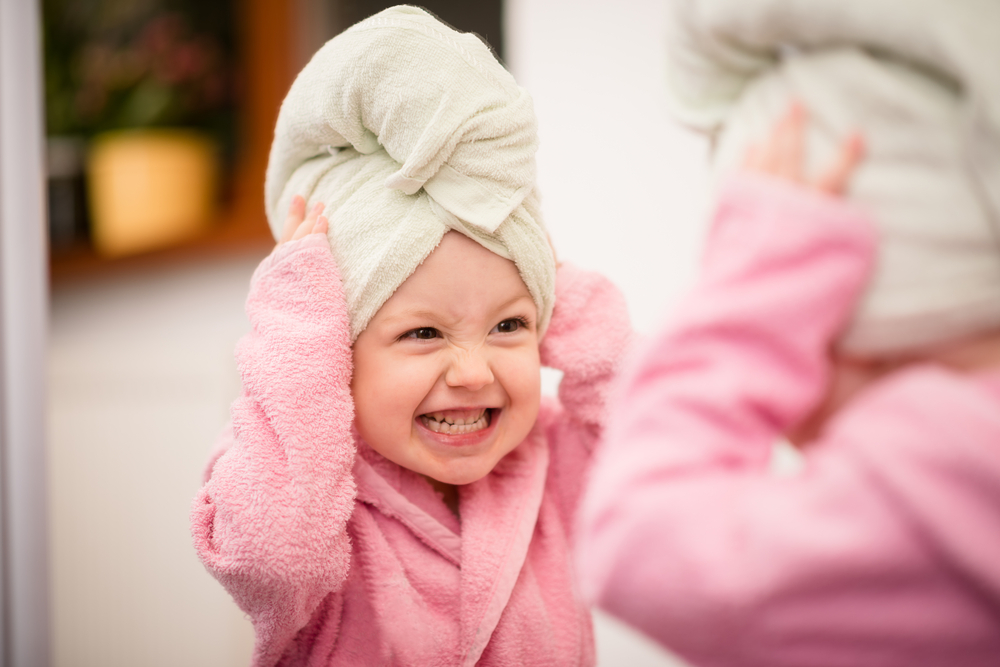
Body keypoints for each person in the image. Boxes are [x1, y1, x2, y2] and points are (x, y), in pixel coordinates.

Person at [190, 6, 630, 666]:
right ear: (331, 349)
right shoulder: (314, 500)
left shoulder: (553, 464)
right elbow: (271, 557)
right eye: (424, 332)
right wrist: (296, 329)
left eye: (509, 324)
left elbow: (659, 462)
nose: (475, 372)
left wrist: (562, 290)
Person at [576, 0, 1000, 662]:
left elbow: (635, 540)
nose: (784, 425)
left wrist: (756, 282)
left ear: (849, 326)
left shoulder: (939, 466)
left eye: (794, 331)